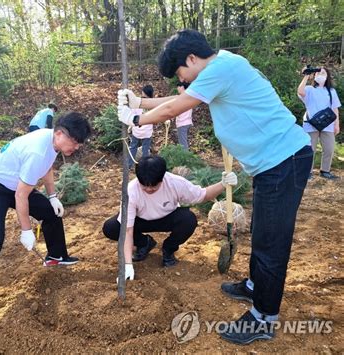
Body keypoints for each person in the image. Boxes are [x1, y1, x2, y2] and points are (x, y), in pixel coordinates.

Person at [117, 29, 313, 345]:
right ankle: (254, 286)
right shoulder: (221, 67)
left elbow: (174, 108)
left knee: (271, 243)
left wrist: (136, 120)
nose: (182, 81)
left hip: (284, 161)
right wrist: (139, 102)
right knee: (264, 233)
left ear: (192, 59)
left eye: (181, 73)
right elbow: (180, 99)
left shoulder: (222, 69)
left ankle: (264, 317)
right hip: (274, 165)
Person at [0, 112, 91, 335]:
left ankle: (56, 256)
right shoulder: (37, 150)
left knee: (50, 212)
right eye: (76, 141)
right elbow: (21, 197)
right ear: (60, 133)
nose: (78, 146)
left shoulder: (51, 141)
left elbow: (47, 167)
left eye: (80, 142)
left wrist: (52, 197)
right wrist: (26, 231)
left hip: (15, 184)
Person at [103, 155, 237, 272]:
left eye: (154, 186)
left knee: (188, 219)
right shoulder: (131, 191)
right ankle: (144, 243)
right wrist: (128, 264)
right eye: (145, 186)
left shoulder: (175, 182)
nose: (149, 189)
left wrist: (223, 184)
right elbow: (127, 230)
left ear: (162, 178)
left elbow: (203, 195)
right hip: (140, 220)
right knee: (112, 227)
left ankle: (168, 249)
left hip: (167, 217)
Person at [298, 67, 341, 180]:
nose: (320, 75)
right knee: (310, 149)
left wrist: (337, 124)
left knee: (329, 148)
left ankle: (325, 171)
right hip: (311, 124)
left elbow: (335, 108)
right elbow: (300, 92)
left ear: (327, 76)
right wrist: (306, 75)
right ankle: (308, 172)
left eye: (323, 73)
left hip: (328, 124)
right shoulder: (309, 89)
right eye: (317, 73)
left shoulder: (331, 91)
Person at [128, 85, 154, 168]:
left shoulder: (138, 102)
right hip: (147, 132)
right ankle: (145, 166)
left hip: (137, 130)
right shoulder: (153, 103)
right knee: (145, 149)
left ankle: (130, 165)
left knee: (133, 147)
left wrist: (130, 126)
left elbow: (133, 115)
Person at [174, 85, 193, 150]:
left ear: (182, 87)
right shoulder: (189, 97)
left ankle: (186, 159)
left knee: (183, 143)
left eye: (178, 87)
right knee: (184, 142)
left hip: (182, 123)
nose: (177, 88)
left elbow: (177, 111)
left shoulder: (182, 98)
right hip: (187, 122)